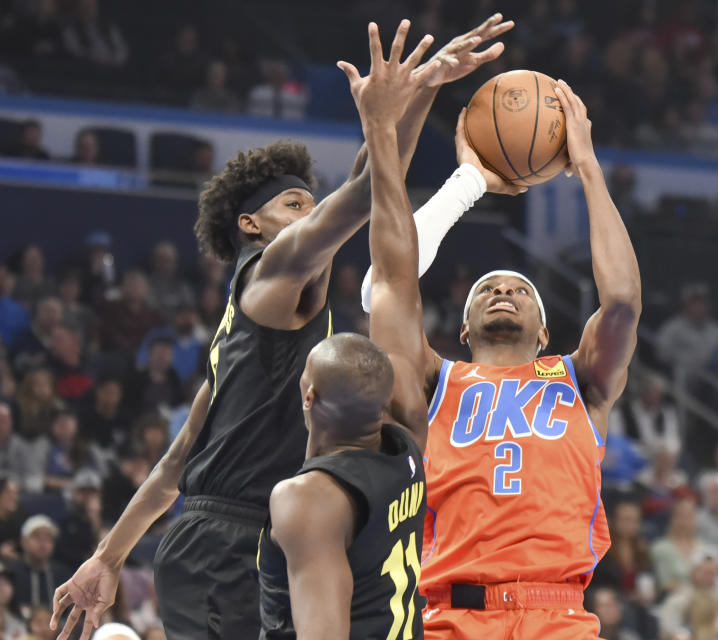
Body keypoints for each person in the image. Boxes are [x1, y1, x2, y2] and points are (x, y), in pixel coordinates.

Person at [50, 14, 514, 640]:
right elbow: (360, 197)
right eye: (295, 205)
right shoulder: (271, 275)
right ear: (251, 225)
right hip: (227, 542)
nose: (310, 215)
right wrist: (403, 103)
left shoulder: (243, 334)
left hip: (235, 533)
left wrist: (105, 560)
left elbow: (176, 464)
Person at [365, 78, 641, 638]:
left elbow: (622, 302)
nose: (504, 291)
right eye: (487, 288)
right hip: (449, 614)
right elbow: (388, 284)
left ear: (545, 333)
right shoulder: (432, 381)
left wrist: (587, 166)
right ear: (462, 328)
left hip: (558, 613)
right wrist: (466, 182)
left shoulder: (579, 378)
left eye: (521, 290)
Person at [258, 22, 436, 637]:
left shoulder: (307, 500)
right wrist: (408, 105)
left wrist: (384, 122)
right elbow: (392, 277)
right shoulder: (409, 442)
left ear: (307, 397)